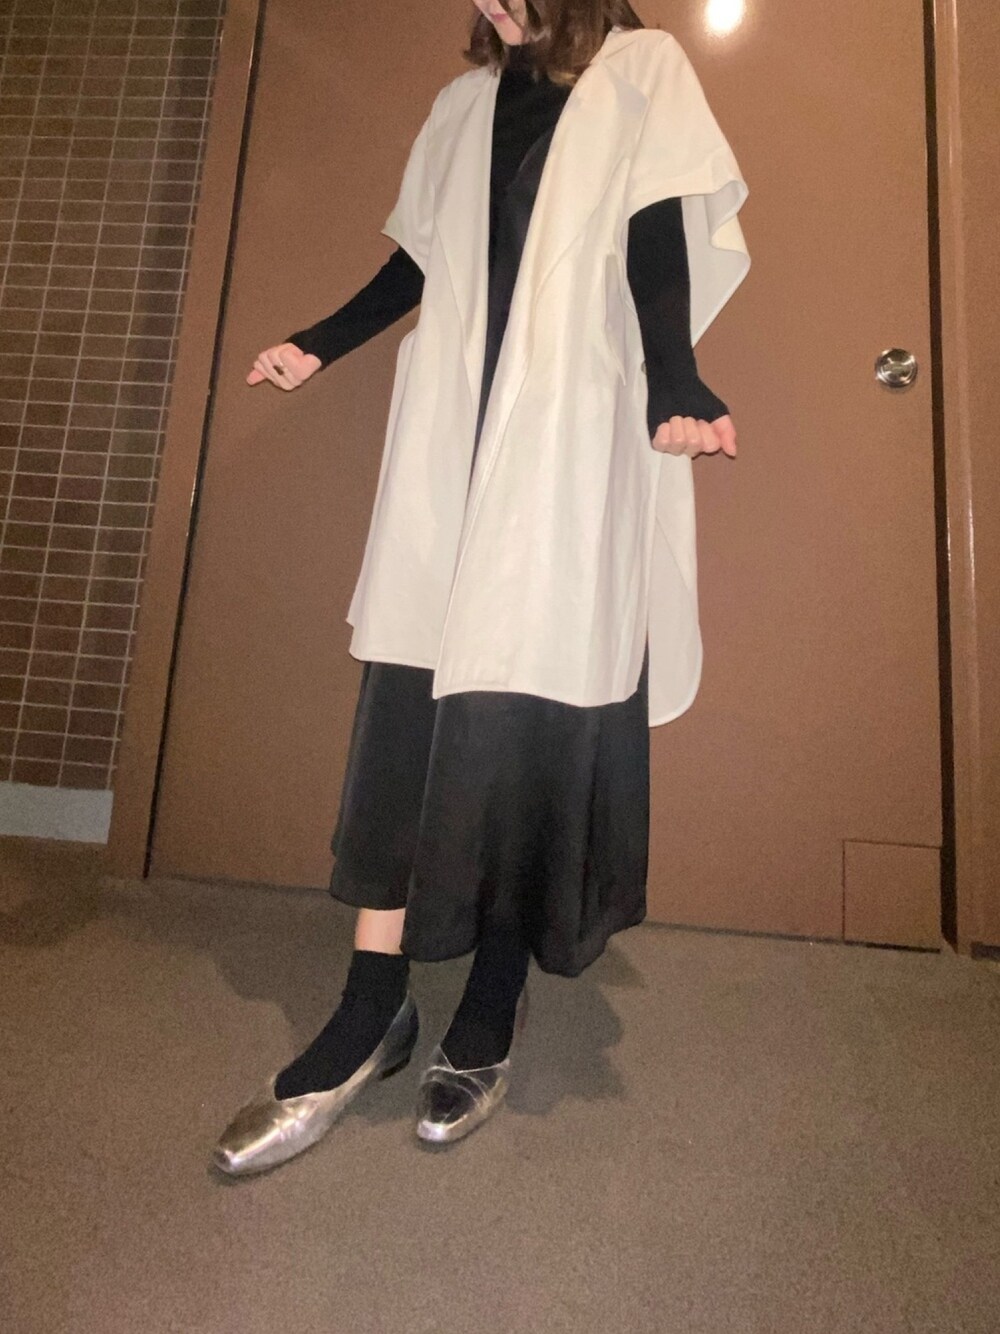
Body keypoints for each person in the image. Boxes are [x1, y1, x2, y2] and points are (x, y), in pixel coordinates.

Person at [213, 0, 748, 1175]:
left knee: (528, 709)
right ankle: (371, 1006)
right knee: (409, 700)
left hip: (568, 433)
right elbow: (420, 256)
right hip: (449, 433)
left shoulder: (642, 68)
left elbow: (657, 224)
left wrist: (675, 376)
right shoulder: (460, 105)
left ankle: (492, 994)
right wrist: (318, 340)